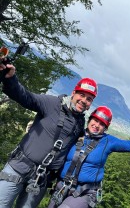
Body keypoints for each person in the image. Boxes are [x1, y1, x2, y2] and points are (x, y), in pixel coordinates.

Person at [0, 62, 98, 208]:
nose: (84, 100)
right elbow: (25, 97)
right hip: (19, 167)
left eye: (89, 99)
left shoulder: (80, 124)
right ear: (74, 93)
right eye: (81, 95)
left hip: (41, 180)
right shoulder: (51, 104)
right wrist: (10, 78)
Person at [48, 106, 130, 208]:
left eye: (101, 124)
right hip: (62, 187)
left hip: (84, 193)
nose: (96, 125)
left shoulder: (108, 142)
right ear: (90, 119)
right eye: (95, 120)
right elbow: (58, 134)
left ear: (105, 128)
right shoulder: (76, 133)